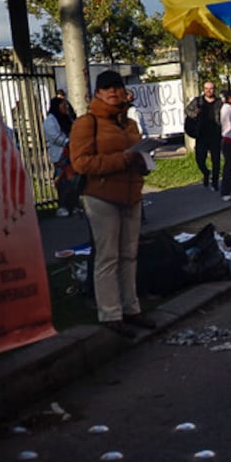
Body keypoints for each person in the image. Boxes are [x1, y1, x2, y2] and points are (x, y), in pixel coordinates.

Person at [70, 70, 155, 338]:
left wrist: (143, 161)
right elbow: (81, 162)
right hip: (101, 196)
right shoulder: (87, 123)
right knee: (108, 256)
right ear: (97, 93)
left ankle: (131, 308)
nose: (113, 92)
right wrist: (123, 160)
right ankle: (110, 313)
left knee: (130, 254)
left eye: (117, 87)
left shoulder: (129, 124)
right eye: (107, 88)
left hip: (131, 195)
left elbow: (137, 154)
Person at [43, 96, 79, 217]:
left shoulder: (66, 119)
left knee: (74, 180)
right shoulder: (50, 120)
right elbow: (55, 137)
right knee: (62, 181)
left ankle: (73, 205)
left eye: (66, 106)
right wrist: (68, 142)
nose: (65, 108)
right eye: (63, 106)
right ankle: (62, 206)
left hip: (71, 152)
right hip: (60, 154)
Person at [185, 81, 222, 190]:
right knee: (200, 159)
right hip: (201, 134)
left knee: (216, 160)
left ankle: (215, 182)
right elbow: (187, 110)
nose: (208, 91)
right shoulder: (198, 101)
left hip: (215, 134)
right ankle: (206, 173)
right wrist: (195, 113)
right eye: (206, 88)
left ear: (214, 89)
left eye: (211, 88)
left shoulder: (219, 102)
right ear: (203, 89)